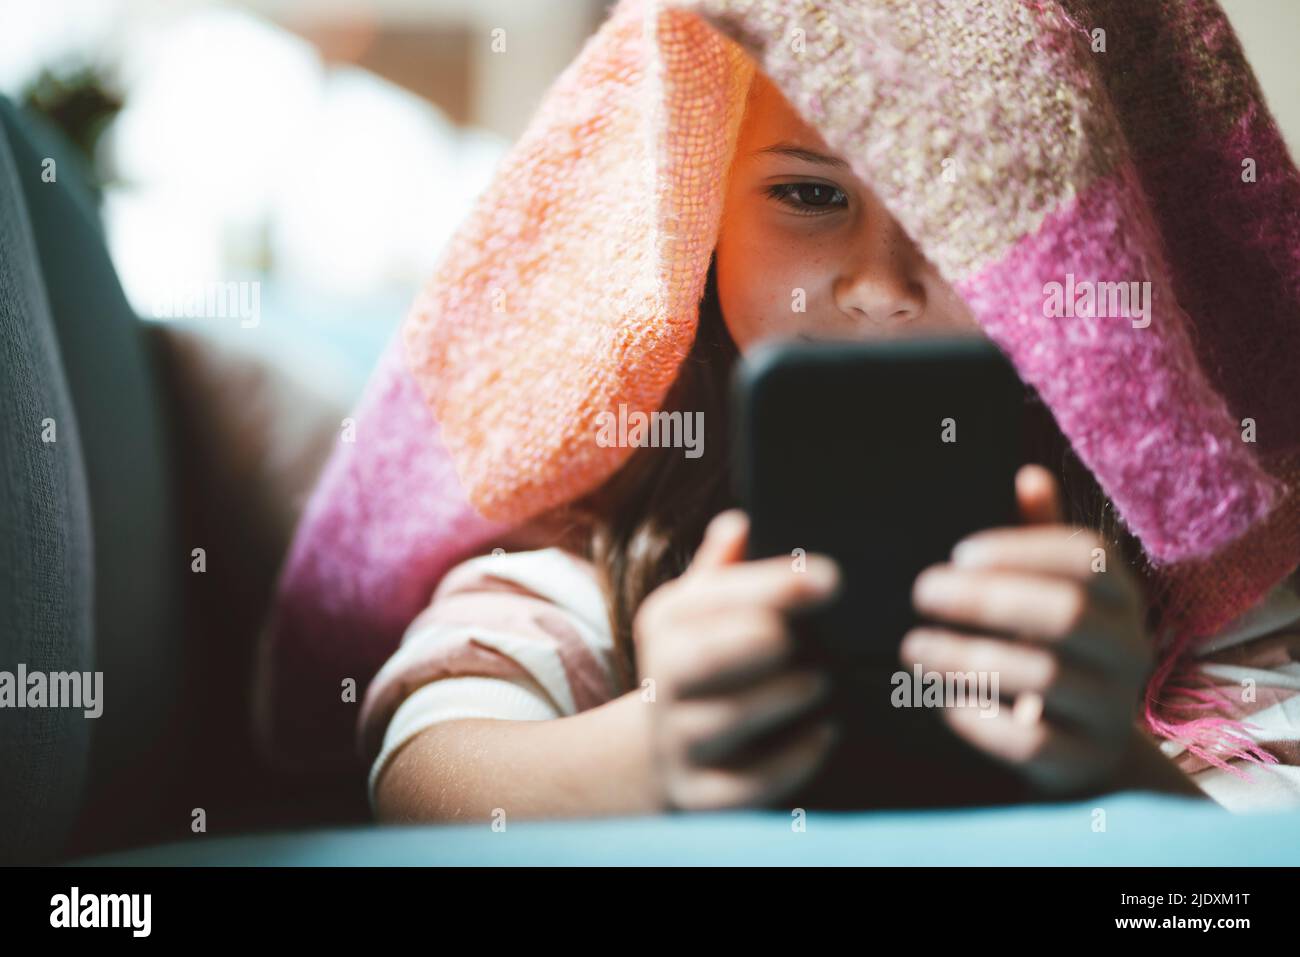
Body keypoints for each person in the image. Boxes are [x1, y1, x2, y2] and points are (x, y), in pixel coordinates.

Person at [257, 0, 1300, 819]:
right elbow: (428, 770)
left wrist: (1113, 758)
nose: (881, 285)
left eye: (972, 210)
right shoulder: (621, 517)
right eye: (810, 194)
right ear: (695, 209)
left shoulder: (1189, 559)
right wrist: (653, 748)